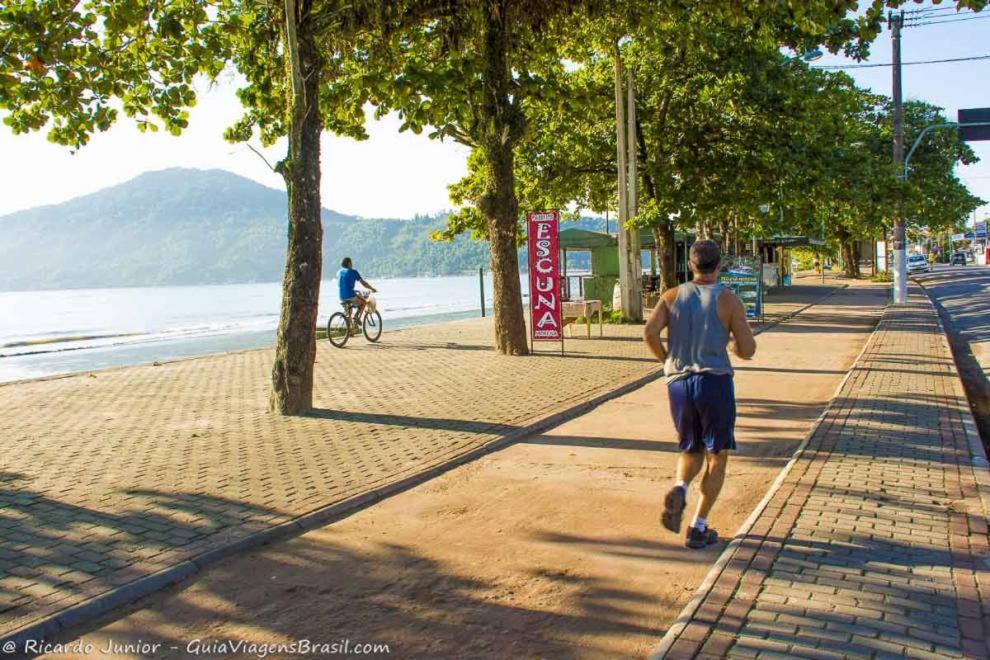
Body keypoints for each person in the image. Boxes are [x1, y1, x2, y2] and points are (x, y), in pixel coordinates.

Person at [643, 240, 757, 549]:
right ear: (719, 265)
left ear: (691, 265)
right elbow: (748, 349)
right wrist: (732, 344)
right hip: (714, 382)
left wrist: (666, 360)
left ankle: (680, 487)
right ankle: (698, 526)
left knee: (690, 448)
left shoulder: (671, 296)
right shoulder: (729, 300)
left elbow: (649, 333)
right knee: (717, 455)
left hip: (679, 385)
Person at [337, 257, 377, 327]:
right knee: (364, 302)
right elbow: (364, 283)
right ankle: (356, 317)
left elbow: (345, 284)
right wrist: (372, 289)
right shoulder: (353, 272)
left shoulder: (339, 272)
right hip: (350, 295)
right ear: (349, 263)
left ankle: (350, 329)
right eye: (351, 263)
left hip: (341, 296)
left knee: (349, 311)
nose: (352, 264)